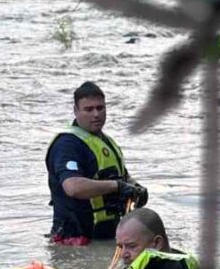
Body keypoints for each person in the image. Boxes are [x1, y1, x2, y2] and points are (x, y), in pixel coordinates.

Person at [46, 81, 149, 246]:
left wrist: (136, 188)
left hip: (107, 236)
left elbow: (123, 175)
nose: (96, 114)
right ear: (75, 111)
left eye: (100, 108)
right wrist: (117, 186)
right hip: (74, 240)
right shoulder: (67, 144)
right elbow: (73, 187)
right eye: (88, 109)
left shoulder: (105, 141)